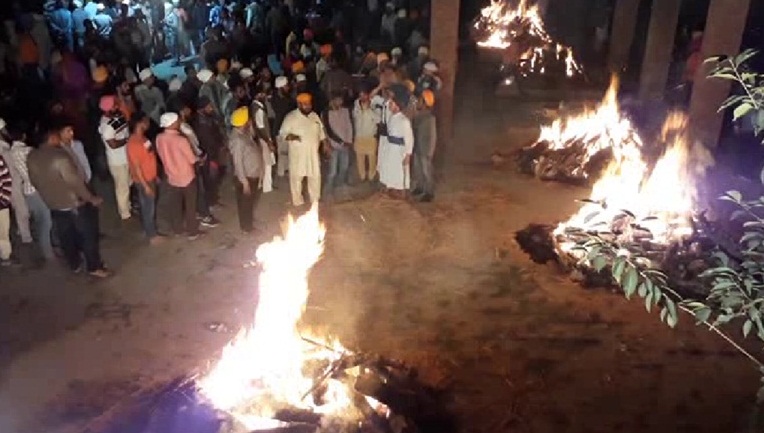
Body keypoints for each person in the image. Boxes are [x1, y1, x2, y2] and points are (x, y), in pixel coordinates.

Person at [27, 127, 110, 278]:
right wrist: (91, 198)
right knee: (88, 236)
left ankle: (75, 264)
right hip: (75, 203)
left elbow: (35, 181)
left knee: (67, 237)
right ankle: (94, 266)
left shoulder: (32, 156)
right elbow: (74, 182)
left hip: (54, 204)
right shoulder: (60, 157)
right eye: (57, 136)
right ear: (51, 137)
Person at [155, 112, 203, 240]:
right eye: (177, 121)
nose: (179, 122)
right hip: (186, 176)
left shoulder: (159, 138)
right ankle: (192, 231)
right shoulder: (181, 140)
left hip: (171, 176)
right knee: (190, 205)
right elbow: (191, 159)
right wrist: (200, 159)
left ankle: (178, 229)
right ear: (172, 124)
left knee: (175, 204)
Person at [9, 127, 54, 262]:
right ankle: (48, 252)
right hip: (37, 189)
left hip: (27, 190)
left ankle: (45, 248)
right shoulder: (28, 151)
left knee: (40, 220)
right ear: (23, 136)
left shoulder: (10, 152)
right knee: (46, 221)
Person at [279, 93, 327, 206]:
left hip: (313, 155)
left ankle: (315, 199)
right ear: (299, 104)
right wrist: (293, 136)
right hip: (298, 155)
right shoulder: (290, 117)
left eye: (309, 104)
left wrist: (325, 144)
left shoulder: (314, 116)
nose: (308, 106)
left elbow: (321, 132)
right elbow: (283, 134)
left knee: (315, 177)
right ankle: (297, 201)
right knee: (296, 179)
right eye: (305, 104)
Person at [126, 112, 164, 244]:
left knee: (148, 206)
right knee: (148, 207)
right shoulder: (134, 143)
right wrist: (146, 186)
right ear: (140, 123)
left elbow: (149, 157)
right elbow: (136, 167)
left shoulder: (143, 139)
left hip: (150, 177)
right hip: (144, 180)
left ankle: (148, 230)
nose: (148, 123)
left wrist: (155, 175)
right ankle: (152, 235)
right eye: (146, 121)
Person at [228, 107, 263, 233]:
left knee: (249, 202)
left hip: (252, 174)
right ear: (244, 122)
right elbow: (238, 163)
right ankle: (246, 228)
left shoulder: (243, 132)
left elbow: (253, 136)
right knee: (245, 204)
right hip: (246, 177)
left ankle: (248, 222)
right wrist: (244, 182)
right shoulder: (237, 140)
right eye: (248, 119)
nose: (250, 120)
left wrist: (251, 126)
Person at [98, 95, 132, 220]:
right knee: (122, 187)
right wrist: (127, 140)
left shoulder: (115, 118)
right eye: (115, 104)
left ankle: (127, 206)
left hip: (124, 157)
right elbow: (112, 144)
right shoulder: (106, 125)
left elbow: (127, 120)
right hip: (117, 161)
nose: (118, 106)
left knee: (127, 184)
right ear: (108, 108)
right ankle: (125, 213)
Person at [377, 84, 414, 198]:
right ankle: (392, 189)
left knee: (399, 171)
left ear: (397, 106)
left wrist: (408, 154)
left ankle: (401, 191)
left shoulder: (404, 121)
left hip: (399, 150)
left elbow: (409, 138)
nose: (390, 106)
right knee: (391, 169)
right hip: (391, 148)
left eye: (392, 104)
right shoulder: (392, 117)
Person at [193, 95, 227, 207]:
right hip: (208, 155)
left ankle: (213, 200)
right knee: (210, 180)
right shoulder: (200, 124)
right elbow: (207, 141)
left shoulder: (207, 118)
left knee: (214, 178)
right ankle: (211, 202)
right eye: (209, 106)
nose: (211, 108)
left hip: (213, 153)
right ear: (202, 108)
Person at [322, 92, 353, 200]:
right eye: (338, 100)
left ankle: (339, 188)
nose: (340, 102)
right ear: (332, 100)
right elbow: (328, 131)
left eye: (341, 100)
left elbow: (349, 125)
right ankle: (328, 191)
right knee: (333, 171)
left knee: (344, 168)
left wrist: (349, 140)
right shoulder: (326, 113)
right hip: (333, 146)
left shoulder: (345, 111)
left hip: (345, 144)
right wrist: (341, 142)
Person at [411, 90, 437, 202]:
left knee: (427, 171)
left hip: (425, 149)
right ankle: (420, 187)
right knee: (418, 169)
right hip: (418, 147)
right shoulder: (419, 115)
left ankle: (429, 192)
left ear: (425, 103)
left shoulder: (430, 118)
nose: (418, 102)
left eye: (420, 100)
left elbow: (432, 137)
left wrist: (430, 152)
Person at [250, 84, 276, 193]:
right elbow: (261, 128)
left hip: (260, 139)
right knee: (267, 163)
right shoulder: (259, 110)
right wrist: (268, 141)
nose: (265, 95)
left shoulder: (253, 106)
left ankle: (263, 184)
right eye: (263, 93)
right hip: (263, 139)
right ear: (258, 95)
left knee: (264, 162)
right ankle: (267, 187)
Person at [353, 86, 380, 181]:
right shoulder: (357, 105)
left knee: (372, 159)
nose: (362, 98)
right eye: (360, 96)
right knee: (360, 158)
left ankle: (372, 176)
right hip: (359, 136)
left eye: (364, 95)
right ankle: (362, 176)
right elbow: (356, 116)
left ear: (368, 95)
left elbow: (378, 119)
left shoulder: (375, 106)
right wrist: (362, 109)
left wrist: (368, 109)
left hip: (370, 137)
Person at [272, 76, 295, 177]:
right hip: (280, 130)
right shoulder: (277, 100)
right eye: (286, 86)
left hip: (286, 129)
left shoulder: (284, 98)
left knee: (287, 152)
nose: (288, 88)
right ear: (280, 87)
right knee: (282, 153)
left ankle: (286, 171)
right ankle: (281, 173)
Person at [0, 154, 13, 266]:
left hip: (1, 205)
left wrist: (4, 200)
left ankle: (5, 257)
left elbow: (7, 179)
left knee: (3, 233)